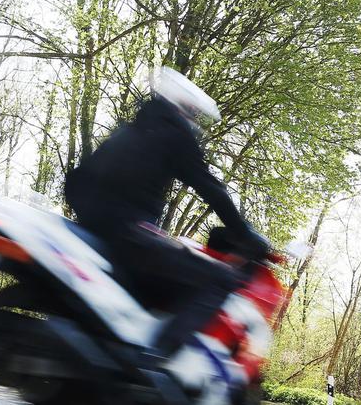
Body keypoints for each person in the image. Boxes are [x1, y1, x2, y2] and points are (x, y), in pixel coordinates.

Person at [64, 66, 269, 362]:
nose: (195, 121)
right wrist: (245, 234)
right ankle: (155, 361)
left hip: (95, 232)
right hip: (129, 235)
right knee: (221, 279)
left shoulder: (131, 129)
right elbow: (210, 188)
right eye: (194, 113)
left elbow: (78, 181)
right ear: (183, 107)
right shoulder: (173, 132)